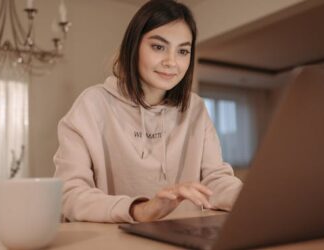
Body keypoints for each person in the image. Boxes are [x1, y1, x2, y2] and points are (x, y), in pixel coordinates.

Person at [54, 0, 242, 223]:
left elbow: (215, 180)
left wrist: (254, 198)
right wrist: (140, 210)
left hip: (183, 238)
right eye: (158, 47)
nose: (171, 62)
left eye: (183, 51)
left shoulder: (196, 109)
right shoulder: (91, 105)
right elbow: (69, 194)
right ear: (133, 46)